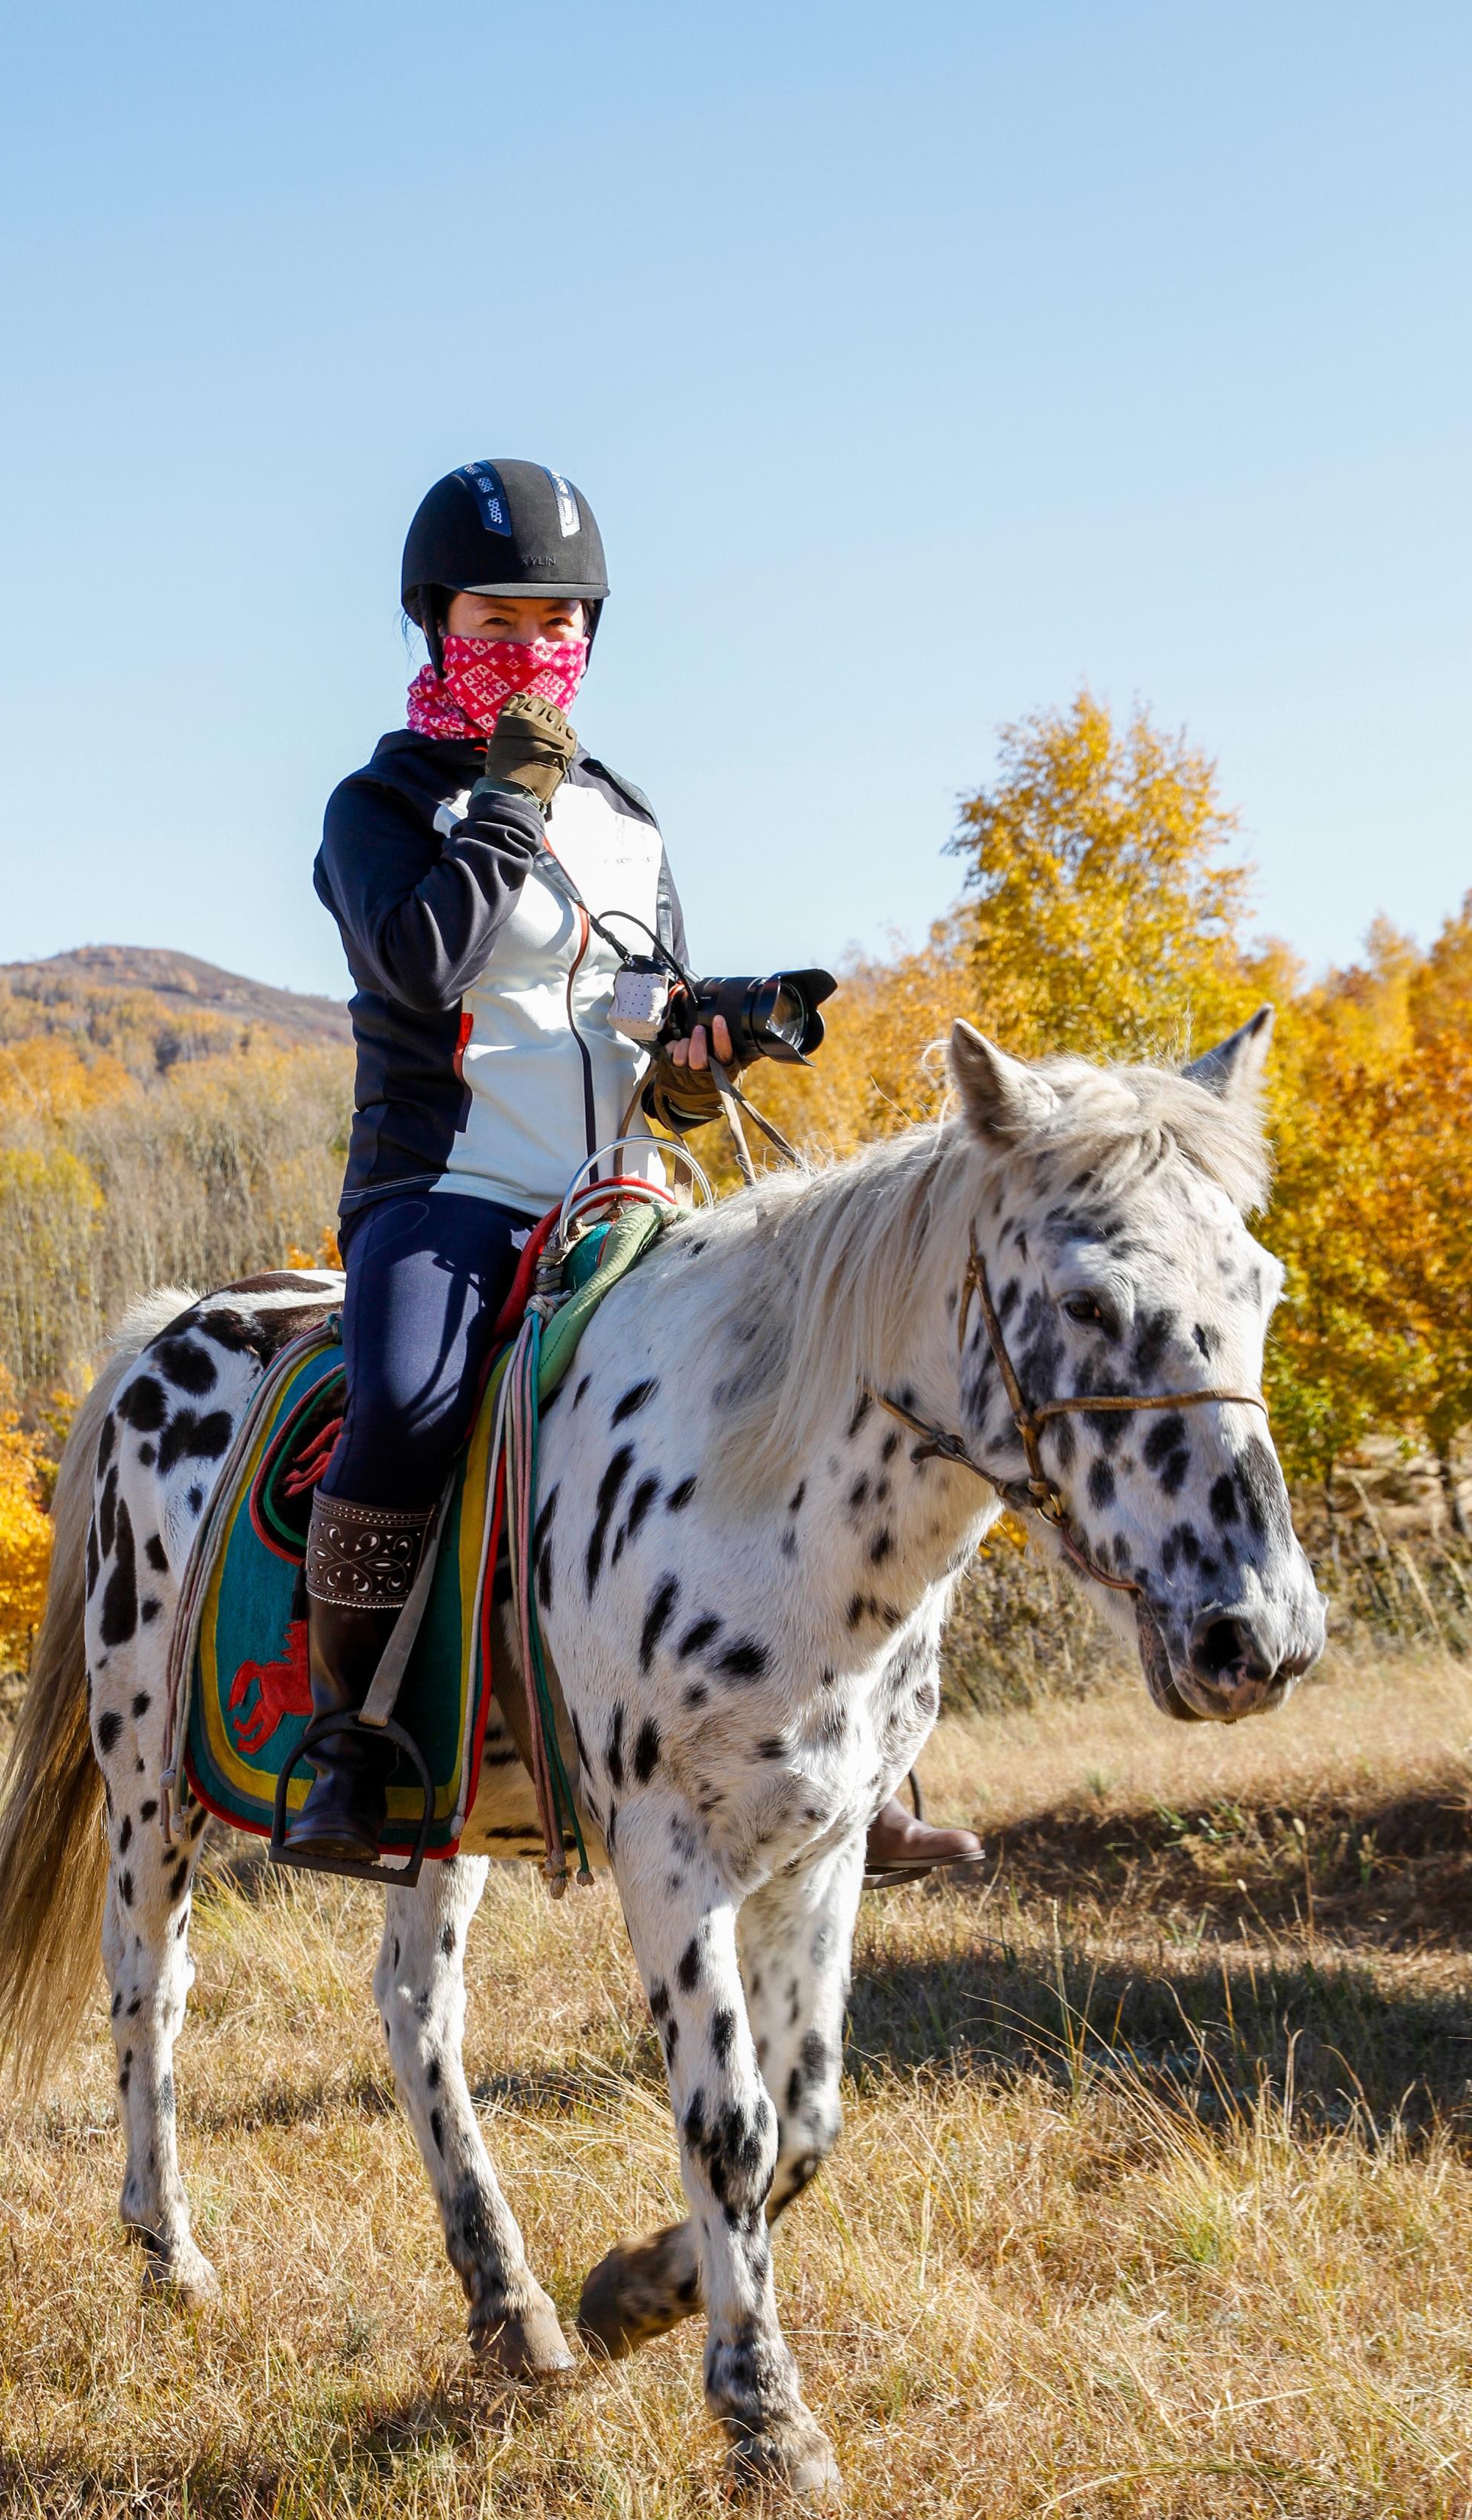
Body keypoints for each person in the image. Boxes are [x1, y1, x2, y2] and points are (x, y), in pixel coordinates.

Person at [300, 458, 982, 1888]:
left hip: (619, 1195)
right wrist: (499, 806)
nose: (525, 653)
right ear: (435, 625)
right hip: (448, 1195)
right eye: (494, 624)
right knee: (411, 1405)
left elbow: (638, 1025)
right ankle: (346, 1739)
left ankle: (876, 1751)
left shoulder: (627, 816)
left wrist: (696, 1055)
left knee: (804, 1375)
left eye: (554, 626)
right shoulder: (380, 804)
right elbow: (419, 959)